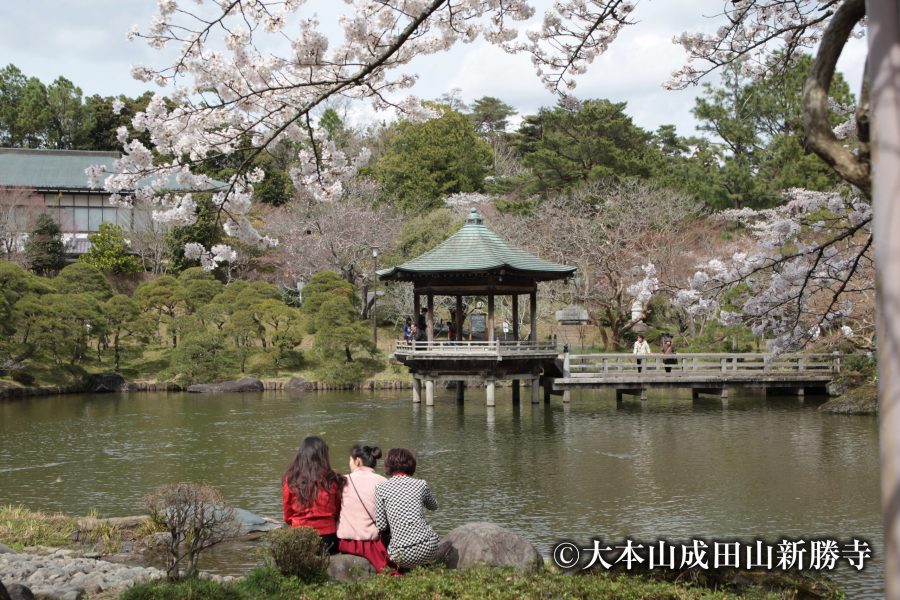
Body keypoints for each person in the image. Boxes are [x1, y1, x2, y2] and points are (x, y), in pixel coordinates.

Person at [374, 448, 439, 571]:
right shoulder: (421, 484)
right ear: (411, 465)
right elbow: (434, 507)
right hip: (428, 548)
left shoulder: (380, 488)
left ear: (388, 466)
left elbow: (381, 526)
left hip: (400, 554)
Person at [282, 436, 344, 554]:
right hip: (328, 537)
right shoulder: (332, 478)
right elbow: (337, 509)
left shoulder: (291, 478)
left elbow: (287, 514)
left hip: (300, 534)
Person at [337, 445, 391, 572]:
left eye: (350, 460)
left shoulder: (343, 480)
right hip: (373, 542)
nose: (350, 463)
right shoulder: (383, 481)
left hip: (346, 543)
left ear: (358, 461)